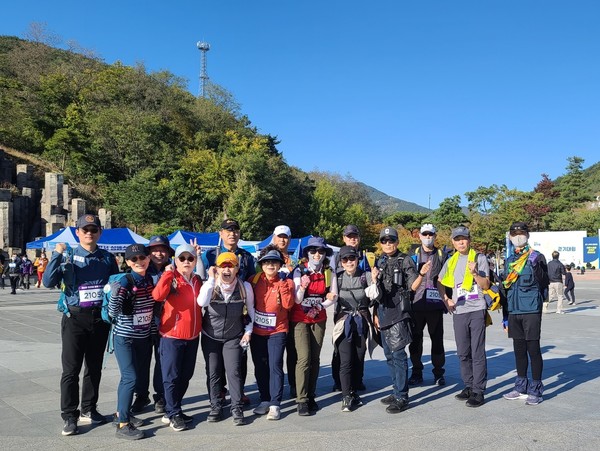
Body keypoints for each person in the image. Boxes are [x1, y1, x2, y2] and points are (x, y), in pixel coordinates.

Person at [43, 214, 119, 436]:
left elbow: (115, 284)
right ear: (77, 232)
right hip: (75, 318)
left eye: (93, 229)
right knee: (71, 369)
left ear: (99, 233)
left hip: (99, 318)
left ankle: (89, 408)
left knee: (94, 367)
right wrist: (56, 254)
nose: (89, 233)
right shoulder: (68, 255)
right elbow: (48, 282)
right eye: (85, 229)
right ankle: (69, 415)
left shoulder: (107, 258)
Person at [201, 218, 256, 404]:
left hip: (237, 312)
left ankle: (238, 393)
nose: (232, 233)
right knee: (214, 366)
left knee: (238, 360)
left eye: (235, 230)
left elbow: (250, 282)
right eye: (228, 230)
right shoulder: (210, 255)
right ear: (221, 233)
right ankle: (218, 395)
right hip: (215, 312)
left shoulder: (247, 257)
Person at [197, 252, 255, 426]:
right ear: (217, 268)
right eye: (223, 266)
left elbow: (250, 310)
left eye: (231, 266)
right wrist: (211, 279)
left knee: (234, 372)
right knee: (213, 372)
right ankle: (215, 406)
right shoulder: (211, 285)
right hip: (210, 336)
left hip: (233, 336)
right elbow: (201, 302)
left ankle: (236, 407)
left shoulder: (245, 287)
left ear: (237, 268)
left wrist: (249, 331)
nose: (227, 269)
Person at [152, 243, 203, 432]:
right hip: (172, 335)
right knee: (171, 376)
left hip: (192, 336)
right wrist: (167, 274)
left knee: (186, 375)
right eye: (182, 258)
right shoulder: (172, 278)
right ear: (175, 261)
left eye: (190, 258)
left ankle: (173, 409)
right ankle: (173, 413)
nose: (186, 262)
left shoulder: (197, 280)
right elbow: (157, 295)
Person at [438, 226, 491, 408]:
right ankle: (468, 385)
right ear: (452, 242)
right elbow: (439, 281)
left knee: (477, 351)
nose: (461, 242)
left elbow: (485, 285)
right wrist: (446, 299)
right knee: (463, 352)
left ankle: (478, 390)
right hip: (459, 310)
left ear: (469, 240)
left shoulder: (479, 258)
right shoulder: (451, 261)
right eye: (457, 239)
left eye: (464, 238)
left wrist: (475, 273)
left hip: (476, 309)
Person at [369, 226, 419, 414]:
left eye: (391, 240)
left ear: (397, 242)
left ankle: (402, 396)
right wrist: (375, 313)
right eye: (384, 241)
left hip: (398, 313)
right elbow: (376, 291)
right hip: (382, 312)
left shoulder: (404, 260)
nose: (388, 244)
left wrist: (421, 275)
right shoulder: (380, 260)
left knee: (398, 355)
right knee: (389, 354)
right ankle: (396, 390)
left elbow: (413, 285)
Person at [501, 222, 549, 406]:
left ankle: (536, 389)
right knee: (519, 350)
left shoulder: (536, 257)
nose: (518, 236)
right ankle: (521, 385)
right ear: (511, 237)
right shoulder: (510, 259)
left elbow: (545, 282)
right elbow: (506, 288)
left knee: (533, 350)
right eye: (514, 233)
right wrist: (505, 316)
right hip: (514, 310)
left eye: (521, 233)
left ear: (528, 236)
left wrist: (537, 267)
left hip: (531, 310)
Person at [109, 244, 154, 440]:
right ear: (127, 262)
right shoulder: (125, 282)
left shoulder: (149, 280)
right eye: (133, 259)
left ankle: (121, 412)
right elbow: (112, 312)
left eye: (142, 257)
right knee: (130, 378)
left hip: (143, 338)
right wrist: (117, 295)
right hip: (125, 338)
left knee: (130, 378)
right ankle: (123, 425)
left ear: (148, 258)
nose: (139, 262)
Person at [291, 236, 338, 416]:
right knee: (304, 358)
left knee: (315, 358)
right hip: (300, 318)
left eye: (320, 251)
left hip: (319, 317)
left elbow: (333, 296)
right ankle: (301, 399)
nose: (317, 254)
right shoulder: (299, 271)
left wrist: (321, 305)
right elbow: (297, 299)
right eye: (313, 251)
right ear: (307, 253)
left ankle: (311, 395)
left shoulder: (329, 272)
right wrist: (302, 287)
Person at [250, 246, 295, 420]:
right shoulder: (253, 280)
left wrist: (283, 284)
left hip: (278, 330)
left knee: (275, 365)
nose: (270, 265)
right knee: (260, 365)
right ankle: (265, 399)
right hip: (257, 331)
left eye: (274, 262)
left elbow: (288, 305)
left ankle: (275, 403)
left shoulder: (286, 282)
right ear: (261, 264)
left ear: (280, 264)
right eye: (267, 262)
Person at [130, 235, 173, 415]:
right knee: (141, 361)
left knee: (163, 361)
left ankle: (160, 396)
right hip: (143, 323)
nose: (158, 253)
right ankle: (141, 395)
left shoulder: (174, 269)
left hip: (166, 323)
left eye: (162, 249)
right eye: (154, 249)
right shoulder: (142, 268)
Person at [333, 246, 375, 412]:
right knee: (345, 359)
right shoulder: (338, 278)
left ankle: (354, 390)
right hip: (343, 322)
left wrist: (375, 281)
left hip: (361, 321)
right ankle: (346, 396)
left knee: (359, 356)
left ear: (357, 259)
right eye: (345, 259)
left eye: (352, 258)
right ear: (341, 262)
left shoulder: (365, 277)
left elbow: (374, 296)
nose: (349, 262)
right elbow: (330, 297)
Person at [331, 224, 370, 393]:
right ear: (343, 238)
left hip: (361, 311)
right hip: (343, 312)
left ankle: (357, 380)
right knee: (342, 351)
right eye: (349, 236)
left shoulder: (365, 258)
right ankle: (339, 381)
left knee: (359, 349)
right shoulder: (335, 258)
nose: (352, 239)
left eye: (355, 236)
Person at [408, 223, 448, 386]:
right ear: (419, 236)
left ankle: (438, 373)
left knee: (437, 340)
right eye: (425, 234)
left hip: (435, 306)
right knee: (415, 340)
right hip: (416, 304)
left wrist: (447, 300)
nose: (428, 237)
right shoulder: (413, 254)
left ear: (435, 236)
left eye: (430, 234)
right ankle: (416, 372)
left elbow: (447, 280)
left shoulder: (441, 255)